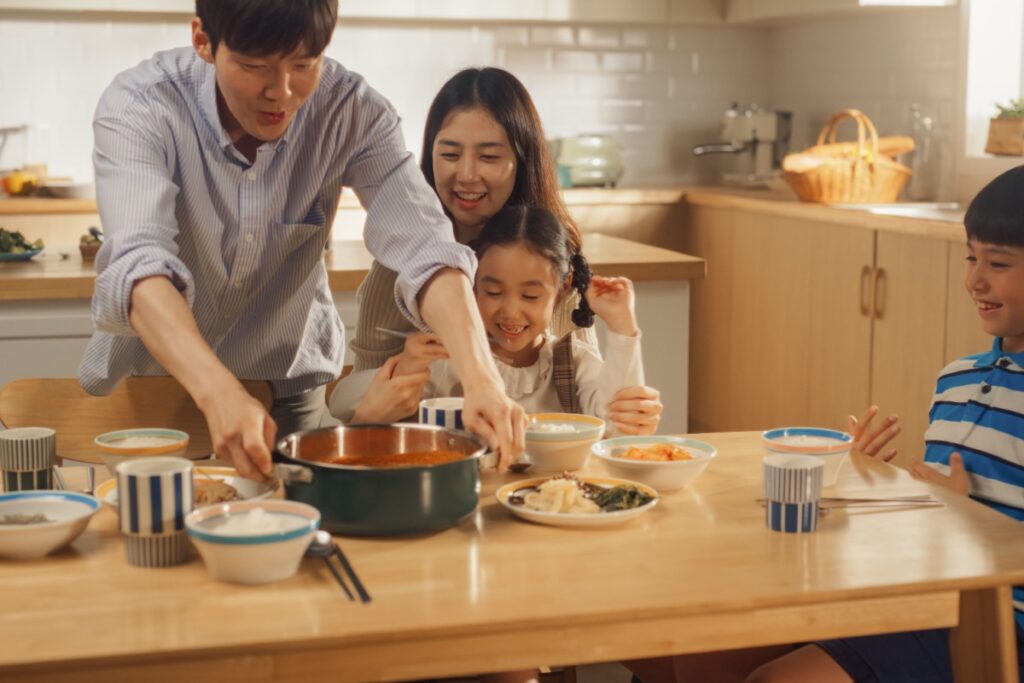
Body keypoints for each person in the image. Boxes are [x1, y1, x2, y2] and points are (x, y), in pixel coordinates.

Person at [79, 0, 524, 479]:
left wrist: (482, 378)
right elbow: (139, 264)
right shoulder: (142, 105)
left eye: (304, 64)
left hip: (288, 391)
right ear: (203, 41)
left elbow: (428, 246)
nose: (282, 93)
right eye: (254, 67)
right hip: (158, 387)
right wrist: (220, 391)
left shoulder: (351, 111)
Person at [665, 165, 1024, 683]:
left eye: (999, 263)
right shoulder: (957, 380)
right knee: (706, 643)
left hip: (994, 626)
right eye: (971, 257)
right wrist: (867, 477)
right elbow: (933, 522)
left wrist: (967, 520)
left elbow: (962, 522)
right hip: (921, 597)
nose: (975, 279)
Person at [348, 67, 663, 436]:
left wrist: (629, 407)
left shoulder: (550, 255)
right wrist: (379, 398)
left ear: (522, 159)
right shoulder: (398, 266)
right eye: (449, 154)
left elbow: (583, 390)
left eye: (489, 157)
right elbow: (358, 390)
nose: (466, 174)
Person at [330, 205, 644, 424]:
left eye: (531, 296)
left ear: (562, 288)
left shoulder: (572, 362)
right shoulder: (448, 360)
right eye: (492, 293)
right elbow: (341, 402)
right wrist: (405, 370)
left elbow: (619, 423)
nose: (509, 312)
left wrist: (621, 326)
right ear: (470, 284)